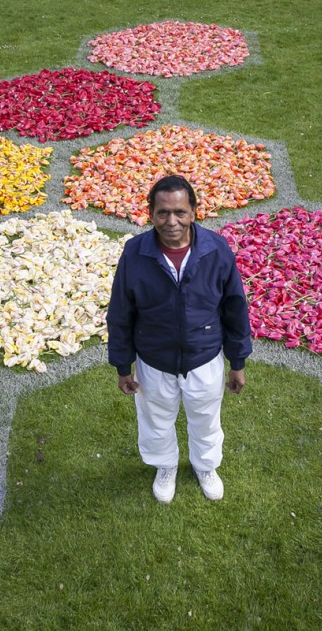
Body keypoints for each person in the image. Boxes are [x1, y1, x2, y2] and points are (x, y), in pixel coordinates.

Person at [107, 174, 252, 503]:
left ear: (194, 212)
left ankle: (205, 466)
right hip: (153, 360)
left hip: (204, 358)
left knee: (206, 417)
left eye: (180, 213)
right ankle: (166, 465)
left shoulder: (216, 249)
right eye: (163, 213)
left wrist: (237, 362)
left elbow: (234, 308)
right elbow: (120, 313)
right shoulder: (135, 253)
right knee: (156, 419)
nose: (171, 222)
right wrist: (122, 366)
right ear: (150, 213)